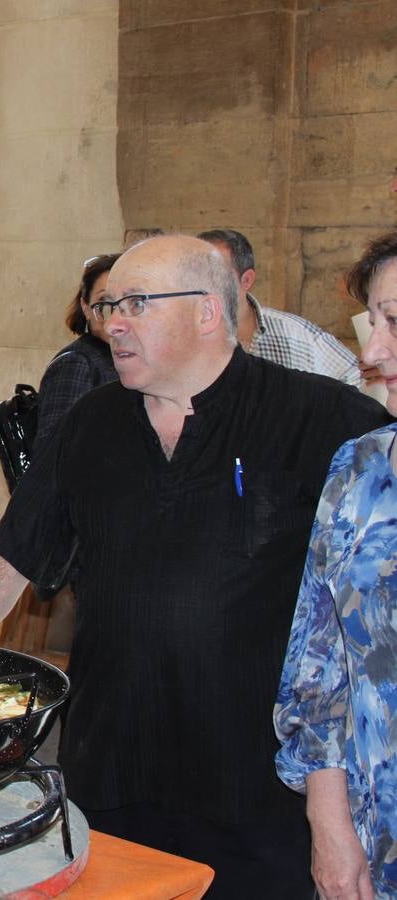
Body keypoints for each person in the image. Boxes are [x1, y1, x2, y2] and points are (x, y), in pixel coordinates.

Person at [0, 235, 388, 898]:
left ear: (208, 312)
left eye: (137, 304)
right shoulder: (92, 423)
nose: (113, 321)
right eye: (109, 305)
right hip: (114, 769)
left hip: (259, 789)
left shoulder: (324, 420)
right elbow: (13, 554)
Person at [275, 230, 397, 900]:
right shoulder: (361, 467)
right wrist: (330, 828)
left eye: (394, 324)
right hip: (373, 840)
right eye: (371, 322)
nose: (372, 354)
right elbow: (317, 671)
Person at [198, 228, 364, 387]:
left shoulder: (295, 334)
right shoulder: (179, 336)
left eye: (215, 275)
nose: (200, 285)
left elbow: (357, 378)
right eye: (194, 274)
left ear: (246, 280)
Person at [34, 253, 120, 451]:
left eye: (129, 301)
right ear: (86, 307)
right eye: (104, 302)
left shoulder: (131, 358)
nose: (114, 314)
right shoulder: (77, 363)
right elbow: (54, 451)